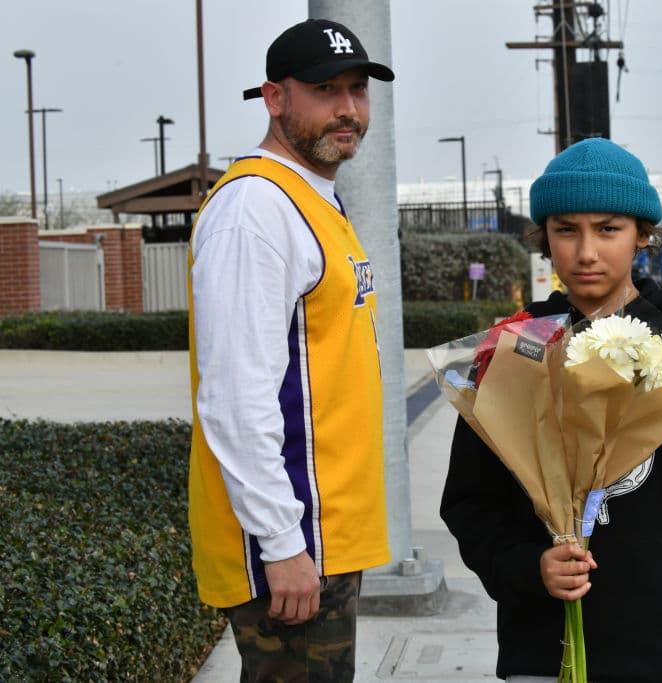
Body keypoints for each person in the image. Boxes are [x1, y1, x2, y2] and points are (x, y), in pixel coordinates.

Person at [440, 137, 662, 682]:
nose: (586, 252)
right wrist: (530, 569)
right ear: (544, 238)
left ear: (643, 235)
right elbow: (470, 503)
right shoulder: (515, 349)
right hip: (543, 651)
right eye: (566, 229)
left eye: (608, 228)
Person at [187, 18, 395, 682]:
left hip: (323, 539)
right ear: (274, 98)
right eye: (325, 89)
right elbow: (235, 398)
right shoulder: (255, 209)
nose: (347, 109)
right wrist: (281, 544)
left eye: (358, 89)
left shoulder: (311, 199)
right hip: (292, 547)